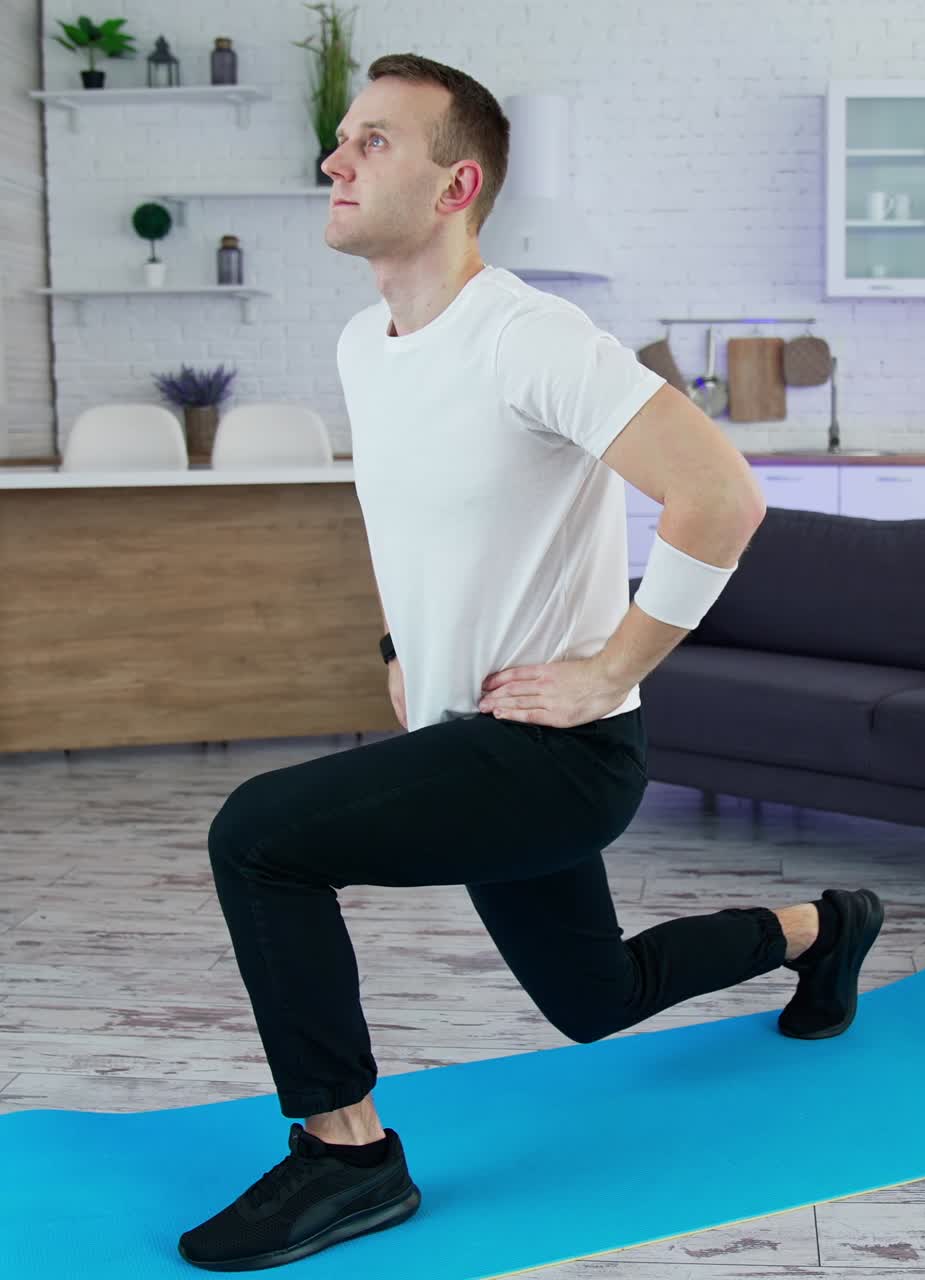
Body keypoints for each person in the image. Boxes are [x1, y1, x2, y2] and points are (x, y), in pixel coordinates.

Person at [177, 54, 884, 1273]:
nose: (333, 161)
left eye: (371, 143)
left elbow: (720, 495)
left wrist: (614, 665)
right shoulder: (366, 343)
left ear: (456, 185)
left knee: (258, 834)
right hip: (465, 735)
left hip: (554, 752)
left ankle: (347, 1159)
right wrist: (400, 640)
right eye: (341, 139)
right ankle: (824, 924)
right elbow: (410, 518)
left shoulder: (532, 335)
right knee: (593, 997)